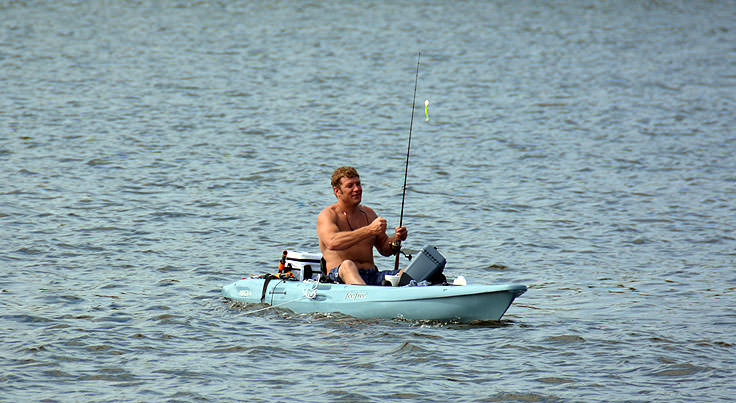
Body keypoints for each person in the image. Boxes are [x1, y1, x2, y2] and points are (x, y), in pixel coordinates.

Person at [317, 166, 408, 285]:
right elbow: (332, 242)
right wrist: (369, 230)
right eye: (350, 186)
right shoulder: (328, 215)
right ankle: (367, 297)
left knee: (408, 272)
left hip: (372, 275)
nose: (357, 189)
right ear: (337, 191)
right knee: (348, 265)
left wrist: (396, 238)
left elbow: (384, 249)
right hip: (339, 277)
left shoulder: (369, 213)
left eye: (358, 184)